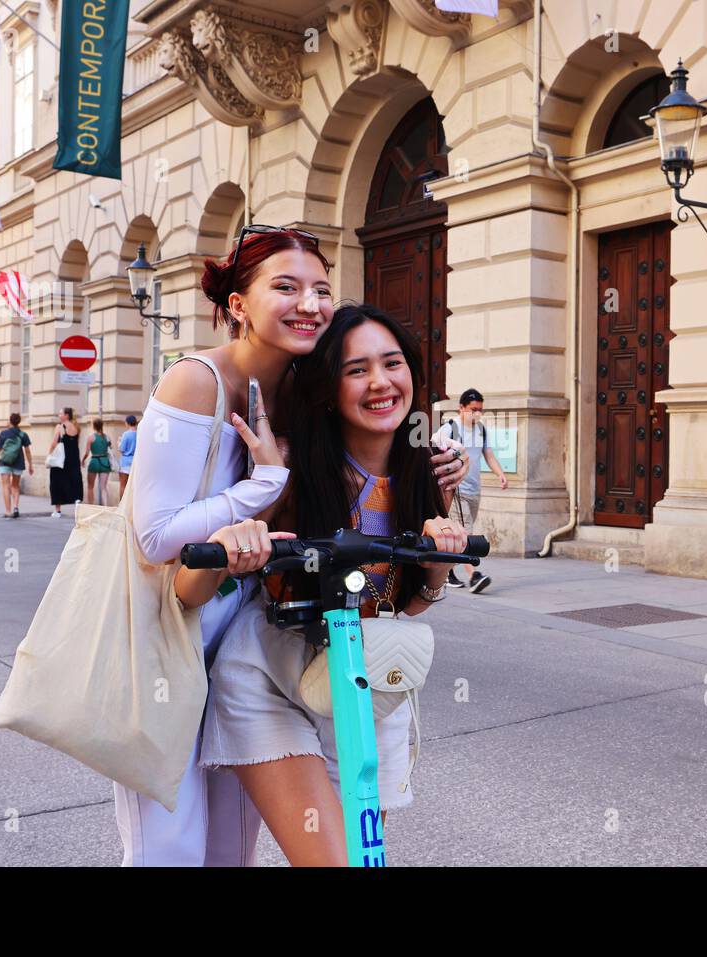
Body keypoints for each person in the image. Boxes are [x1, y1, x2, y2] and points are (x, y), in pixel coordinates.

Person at [122, 227, 471, 868]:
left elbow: (415, 601)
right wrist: (247, 514)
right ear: (237, 303)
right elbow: (161, 549)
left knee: (260, 856)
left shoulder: (423, 471)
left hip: (357, 684)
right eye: (355, 370)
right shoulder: (264, 439)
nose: (378, 383)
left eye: (392, 364)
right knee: (173, 850)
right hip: (228, 657)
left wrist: (436, 558)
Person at [441, 388, 507, 594]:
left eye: (480, 410)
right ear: (461, 408)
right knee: (465, 532)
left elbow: (488, 454)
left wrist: (500, 473)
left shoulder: (481, 430)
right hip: (456, 488)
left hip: (474, 489)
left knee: (460, 533)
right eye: (473, 409)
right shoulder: (449, 428)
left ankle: (446, 572)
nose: (477, 413)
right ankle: (474, 575)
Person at [46, 407, 83, 518]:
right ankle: (77, 502)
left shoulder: (60, 426)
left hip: (61, 459)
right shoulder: (76, 427)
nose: (59, 415)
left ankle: (57, 510)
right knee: (74, 480)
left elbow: (54, 442)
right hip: (74, 458)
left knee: (56, 481)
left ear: (67, 415)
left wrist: (49, 454)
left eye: (61, 413)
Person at [0, 413, 33, 519]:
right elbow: (28, 451)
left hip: (5, 462)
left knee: (5, 486)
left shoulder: (3, 433)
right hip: (18, 462)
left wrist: (6, 454)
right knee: (15, 486)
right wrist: (30, 464)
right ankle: (16, 508)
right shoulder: (23, 434)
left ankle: (8, 511)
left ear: (10, 421)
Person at [81, 418, 112, 506]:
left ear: (93, 426)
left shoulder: (91, 437)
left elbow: (87, 453)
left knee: (90, 487)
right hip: (105, 462)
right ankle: (105, 506)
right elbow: (110, 449)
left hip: (94, 461)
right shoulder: (107, 437)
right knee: (103, 487)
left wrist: (83, 460)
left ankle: (91, 506)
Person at [117, 414, 139, 497]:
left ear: (127, 423)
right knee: (134, 486)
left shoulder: (126, 434)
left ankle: (121, 505)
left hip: (125, 462)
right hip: (135, 461)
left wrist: (119, 443)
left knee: (123, 484)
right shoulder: (139, 434)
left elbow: (122, 449)